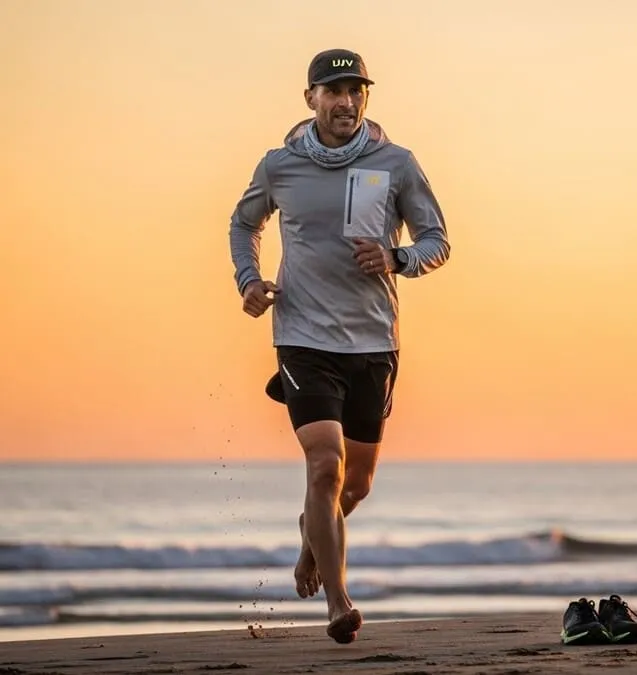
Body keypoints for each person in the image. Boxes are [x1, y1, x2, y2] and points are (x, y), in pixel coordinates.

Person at [227, 48, 450, 644]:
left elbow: (436, 239)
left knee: (356, 485)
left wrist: (399, 257)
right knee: (325, 465)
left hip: (374, 340)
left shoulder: (395, 163)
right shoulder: (280, 167)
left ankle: (312, 540)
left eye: (356, 91)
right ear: (311, 100)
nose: (345, 102)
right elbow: (243, 223)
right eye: (333, 91)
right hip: (302, 337)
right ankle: (338, 602)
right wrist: (248, 279)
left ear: (365, 98)